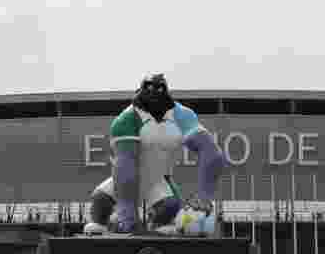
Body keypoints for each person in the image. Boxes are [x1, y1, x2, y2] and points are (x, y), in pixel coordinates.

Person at [82, 73, 225, 236]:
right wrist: (127, 211)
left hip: (159, 179)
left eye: (159, 89)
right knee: (100, 202)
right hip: (125, 179)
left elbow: (212, 153)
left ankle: (156, 226)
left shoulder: (182, 115)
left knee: (170, 208)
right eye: (149, 90)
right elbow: (125, 166)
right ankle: (110, 223)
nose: (155, 95)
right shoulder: (126, 120)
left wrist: (204, 196)